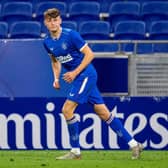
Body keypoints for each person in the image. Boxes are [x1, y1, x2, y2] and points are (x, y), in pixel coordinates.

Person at [43, 8, 143, 160]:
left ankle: (75, 152)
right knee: (103, 113)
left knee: (67, 109)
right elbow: (54, 61)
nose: (53, 23)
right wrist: (56, 78)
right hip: (78, 77)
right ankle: (134, 144)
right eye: (49, 20)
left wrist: (75, 73)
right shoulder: (47, 42)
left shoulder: (71, 35)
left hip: (85, 75)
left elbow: (90, 54)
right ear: (45, 23)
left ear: (60, 20)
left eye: (55, 20)